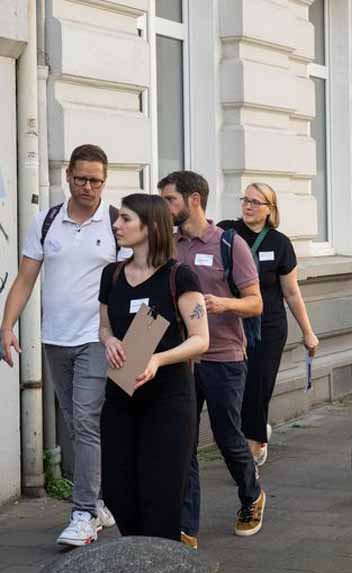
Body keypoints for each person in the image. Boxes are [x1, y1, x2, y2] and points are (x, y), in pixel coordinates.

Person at [1, 144, 120, 546]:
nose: (88, 187)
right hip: (55, 338)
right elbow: (24, 279)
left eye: (96, 180)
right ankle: (101, 499)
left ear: (105, 181)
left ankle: (84, 512)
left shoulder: (117, 223)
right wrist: (6, 326)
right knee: (75, 423)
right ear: (68, 175)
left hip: (96, 339)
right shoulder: (46, 220)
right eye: (81, 178)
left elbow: (134, 281)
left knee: (85, 421)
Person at [159, 170, 266, 547]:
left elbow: (256, 303)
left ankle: (251, 494)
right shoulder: (168, 245)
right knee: (182, 441)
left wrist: (223, 303)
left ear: (193, 200)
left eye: (170, 199)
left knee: (227, 436)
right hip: (182, 360)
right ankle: (186, 527)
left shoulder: (228, 244)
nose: (165, 207)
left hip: (224, 357)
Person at [98, 194, 209, 541]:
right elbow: (104, 326)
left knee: (160, 494)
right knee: (118, 489)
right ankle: (136, 558)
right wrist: (110, 342)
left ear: (150, 226)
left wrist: (158, 358)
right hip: (121, 394)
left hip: (168, 400)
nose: (117, 224)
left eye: (126, 219)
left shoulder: (179, 276)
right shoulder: (112, 274)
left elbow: (200, 339)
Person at [218, 183, 319, 467]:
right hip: (229, 324)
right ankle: (255, 432)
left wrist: (308, 332)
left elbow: (291, 292)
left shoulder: (279, 243)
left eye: (256, 202)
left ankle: (251, 452)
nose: (248, 206)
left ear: (270, 209)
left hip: (268, 327)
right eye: (245, 200)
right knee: (231, 391)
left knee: (257, 388)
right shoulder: (226, 233)